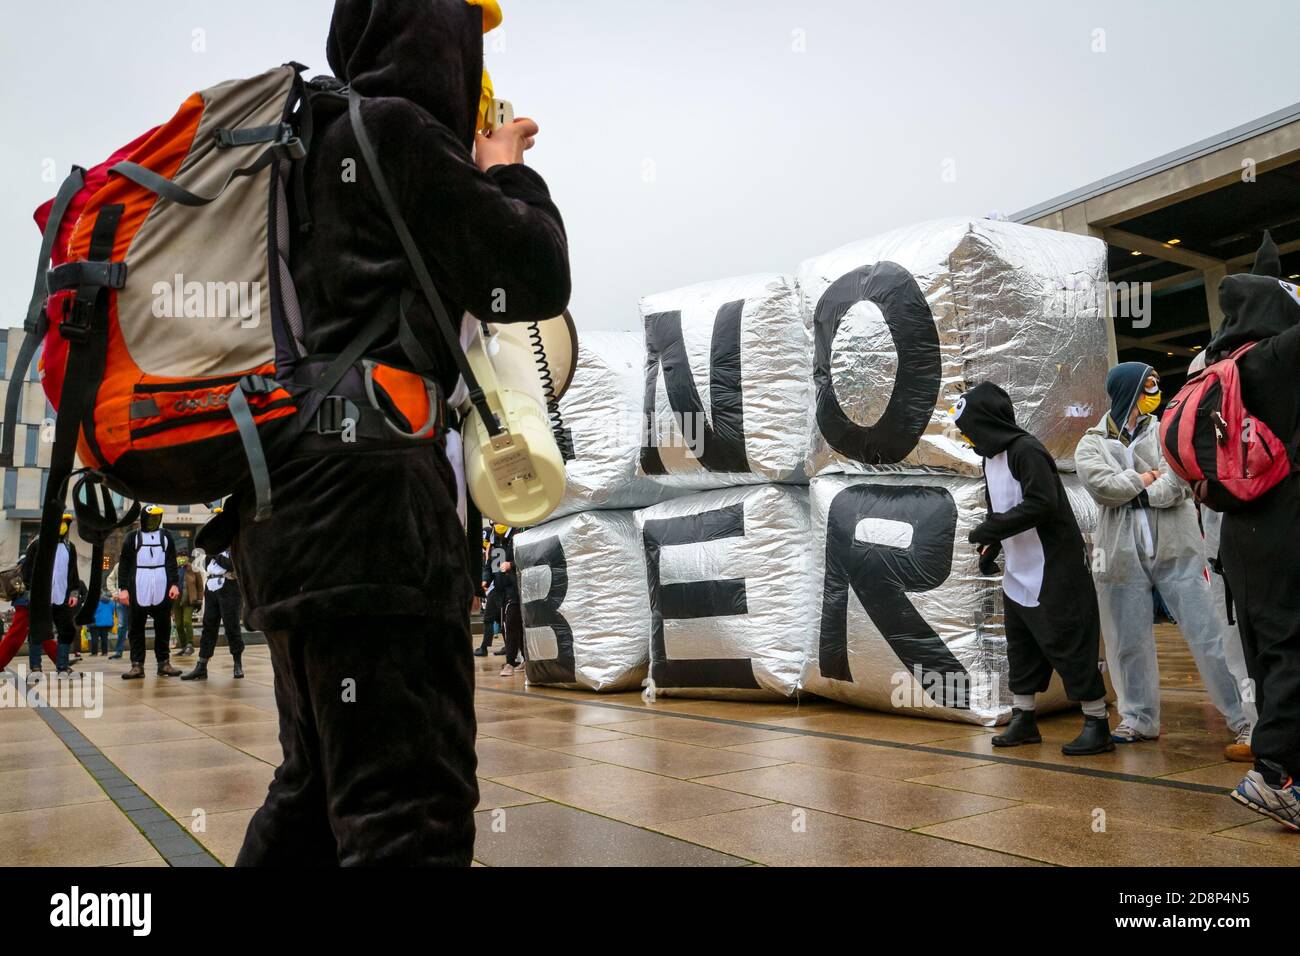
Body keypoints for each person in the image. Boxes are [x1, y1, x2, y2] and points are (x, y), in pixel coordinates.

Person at [213, 0, 570, 866]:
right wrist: (505, 170)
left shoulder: (298, 149)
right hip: (374, 525)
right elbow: (530, 274)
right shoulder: (396, 131)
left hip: (287, 508)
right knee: (411, 814)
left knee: (312, 790)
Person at [1075, 363, 1250, 749]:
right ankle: (1137, 718)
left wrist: (1137, 488)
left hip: (1178, 547)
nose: (1155, 390)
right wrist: (1147, 476)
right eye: (1148, 384)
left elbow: (1177, 481)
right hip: (1119, 556)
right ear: (1128, 390)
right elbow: (1100, 487)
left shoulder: (1167, 428)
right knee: (1126, 639)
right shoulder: (1091, 442)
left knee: (1209, 632)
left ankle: (1244, 716)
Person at [951, 383, 1113, 755]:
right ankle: (1023, 718)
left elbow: (1043, 503)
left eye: (969, 429)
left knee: (1068, 643)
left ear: (988, 422)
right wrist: (992, 545)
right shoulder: (989, 458)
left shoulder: (1027, 451)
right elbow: (1000, 509)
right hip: (1019, 569)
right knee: (1021, 647)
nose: (966, 437)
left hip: (1055, 567)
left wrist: (992, 528)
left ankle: (1096, 721)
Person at [1201, 233, 1300, 828]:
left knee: (1267, 650)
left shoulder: (1218, 367)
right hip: (1282, 521)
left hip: (1236, 534)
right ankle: (1275, 776)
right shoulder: (1278, 358)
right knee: (1293, 646)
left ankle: (1284, 769)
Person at [117, 505, 181, 680]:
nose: (154, 521)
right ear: (144, 518)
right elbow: (124, 564)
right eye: (151, 517)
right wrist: (123, 589)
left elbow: (171, 562)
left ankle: (164, 663)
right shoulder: (132, 537)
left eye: (157, 518)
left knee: (163, 626)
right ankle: (137, 665)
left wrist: (174, 584)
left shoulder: (166, 536)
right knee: (136, 626)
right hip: (139, 584)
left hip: (162, 583)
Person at [182, 546, 244, 680]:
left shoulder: (233, 546)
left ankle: (237, 663)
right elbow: (202, 564)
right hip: (211, 585)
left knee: (232, 627)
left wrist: (214, 553)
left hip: (229, 587)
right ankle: (202, 665)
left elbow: (231, 565)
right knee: (208, 627)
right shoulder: (211, 549)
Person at [173, 553, 202, 657]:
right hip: (175, 600)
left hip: (189, 600)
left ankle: (190, 644)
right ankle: (184, 647)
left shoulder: (193, 568)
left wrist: (199, 600)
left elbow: (200, 586)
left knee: (186, 621)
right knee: (179, 624)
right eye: (179, 556)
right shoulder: (173, 568)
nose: (181, 558)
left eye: (183, 556)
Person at [88, 588, 117, 657]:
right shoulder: (110, 601)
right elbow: (113, 610)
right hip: (106, 622)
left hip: (95, 622)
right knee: (104, 638)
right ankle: (104, 652)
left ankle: (94, 653)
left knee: (94, 638)